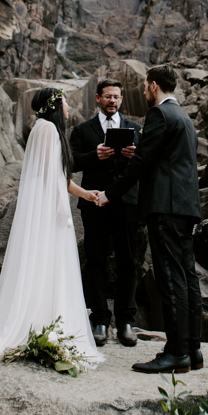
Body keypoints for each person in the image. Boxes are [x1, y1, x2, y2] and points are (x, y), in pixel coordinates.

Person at [0, 88, 104, 374]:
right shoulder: (51, 131)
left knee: (41, 267)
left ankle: (37, 321)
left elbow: (56, 178)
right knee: (51, 267)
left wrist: (86, 194)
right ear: (54, 105)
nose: (68, 107)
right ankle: (45, 324)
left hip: (44, 207)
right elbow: (57, 180)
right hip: (50, 211)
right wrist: (68, 208)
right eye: (64, 102)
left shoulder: (41, 128)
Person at [96, 65, 202, 374]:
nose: (143, 92)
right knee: (187, 277)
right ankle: (193, 349)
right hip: (186, 207)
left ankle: (176, 353)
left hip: (165, 207)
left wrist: (110, 193)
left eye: (145, 87)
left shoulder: (159, 115)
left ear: (153, 86)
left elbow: (142, 164)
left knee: (170, 278)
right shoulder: (184, 118)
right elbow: (168, 160)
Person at [70, 80, 141, 347]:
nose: (113, 101)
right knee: (96, 259)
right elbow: (72, 161)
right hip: (94, 202)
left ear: (122, 100)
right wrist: (94, 155)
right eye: (108, 97)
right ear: (97, 98)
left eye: (117, 97)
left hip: (126, 202)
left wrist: (135, 154)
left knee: (128, 260)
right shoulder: (82, 130)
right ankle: (99, 320)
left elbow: (146, 162)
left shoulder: (134, 129)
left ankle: (125, 321)